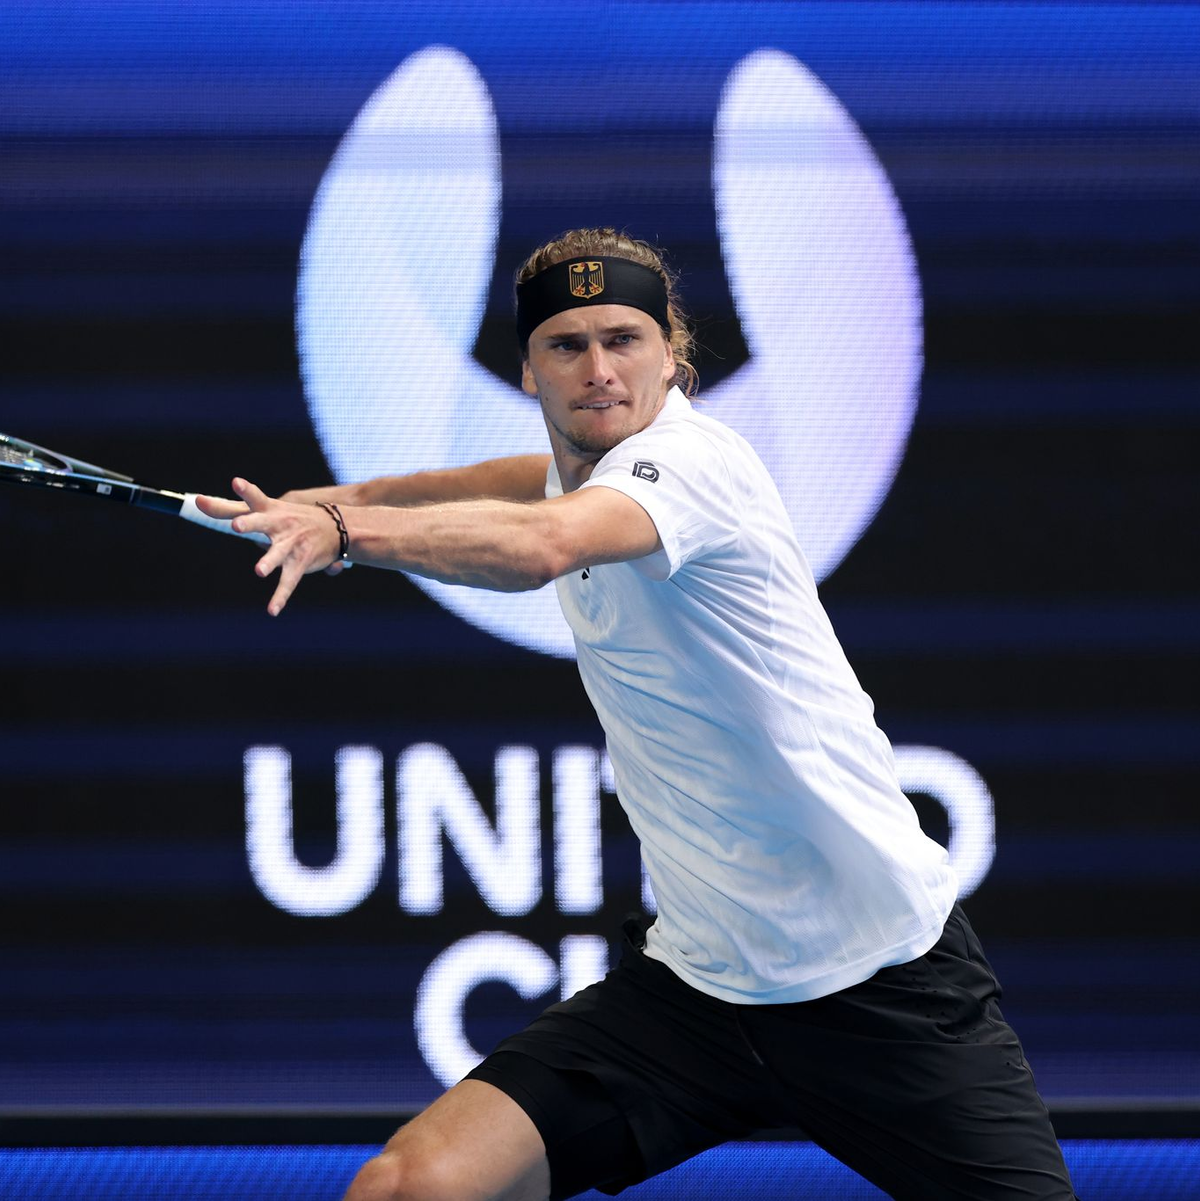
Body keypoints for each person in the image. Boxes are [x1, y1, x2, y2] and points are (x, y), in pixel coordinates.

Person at [198, 229, 1077, 1201]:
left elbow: (543, 543)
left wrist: (341, 531)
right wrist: (306, 507)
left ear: (672, 354)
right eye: (566, 346)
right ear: (528, 371)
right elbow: (470, 488)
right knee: (408, 1187)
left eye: (623, 339)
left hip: (881, 985)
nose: (599, 369)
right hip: (695, 993)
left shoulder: (693, 466)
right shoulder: (564, 470)